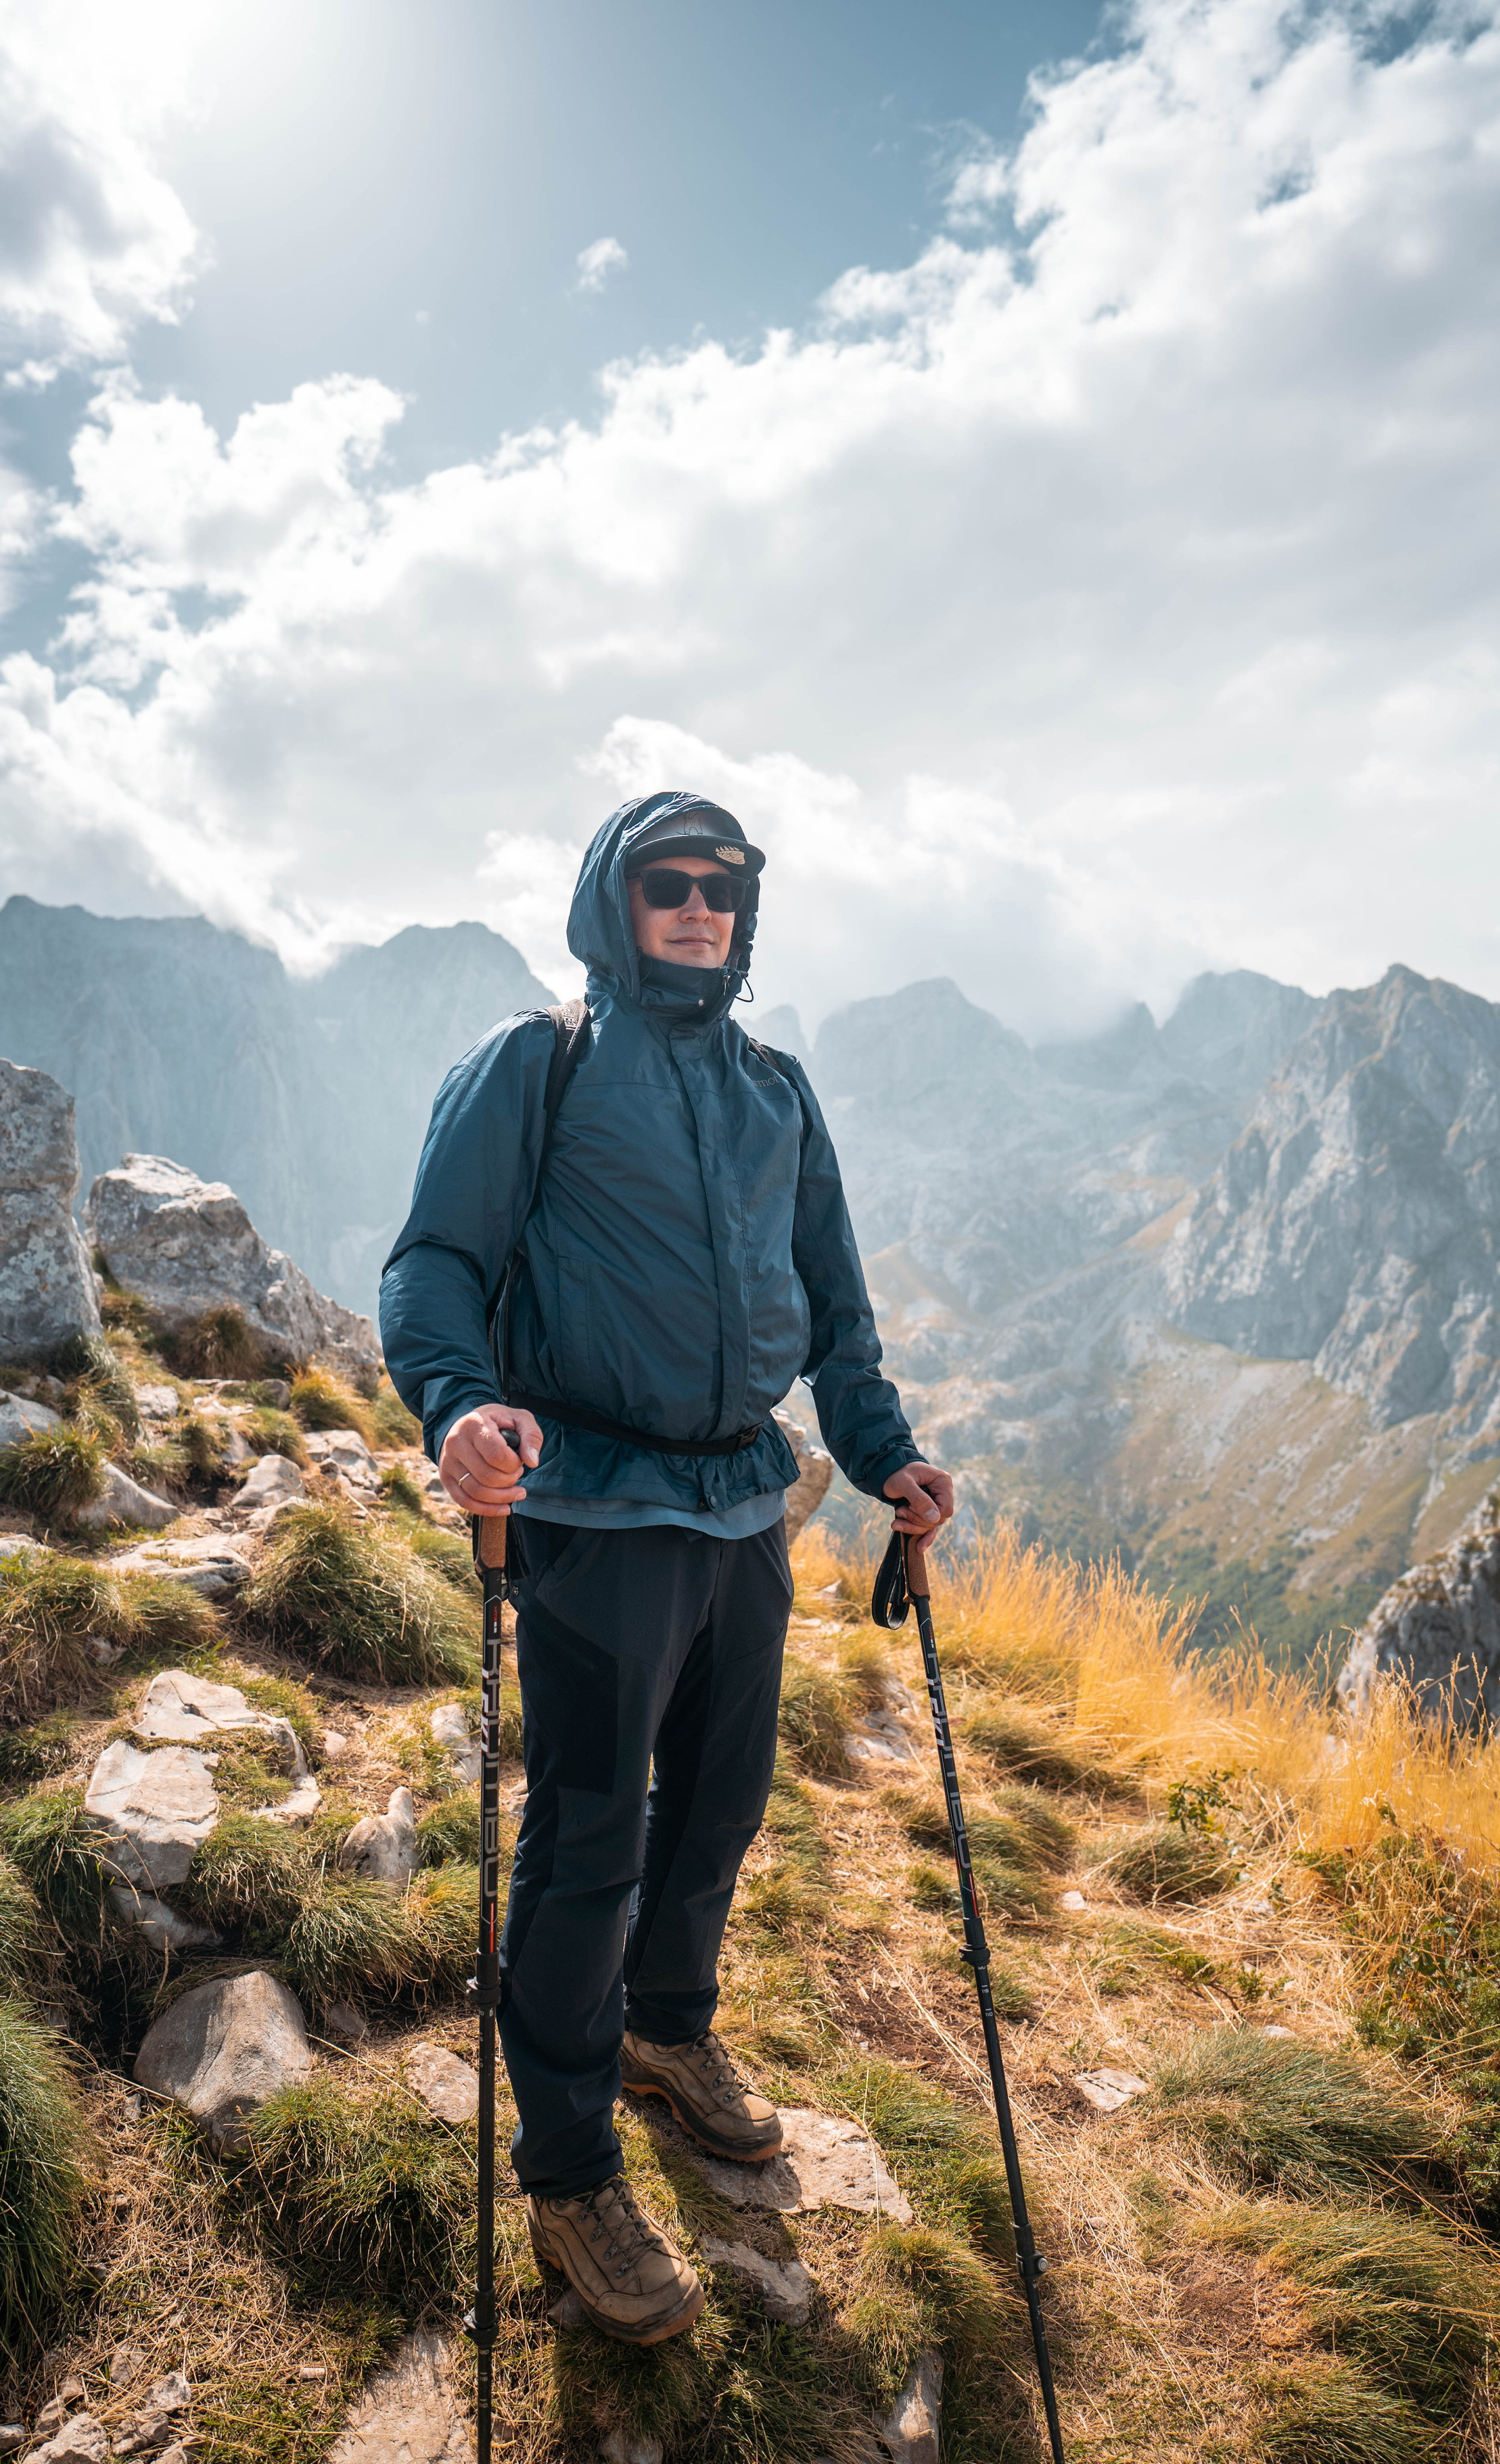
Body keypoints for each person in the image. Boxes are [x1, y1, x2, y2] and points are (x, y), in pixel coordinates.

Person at [381, 791, 952, 2345]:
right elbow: (432, 1261)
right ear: (612, 902)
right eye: (667, 884)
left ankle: (667, 2029)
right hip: (592, 1506)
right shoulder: (540, 1061)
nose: (698, 908)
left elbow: (833, 1316)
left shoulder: (775, 1090)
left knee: (719, 1801)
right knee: (587, 1839)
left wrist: (883, 1448)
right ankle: (567, 2171)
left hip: (740, 1510)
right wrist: (454, 1407)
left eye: (722, 888)